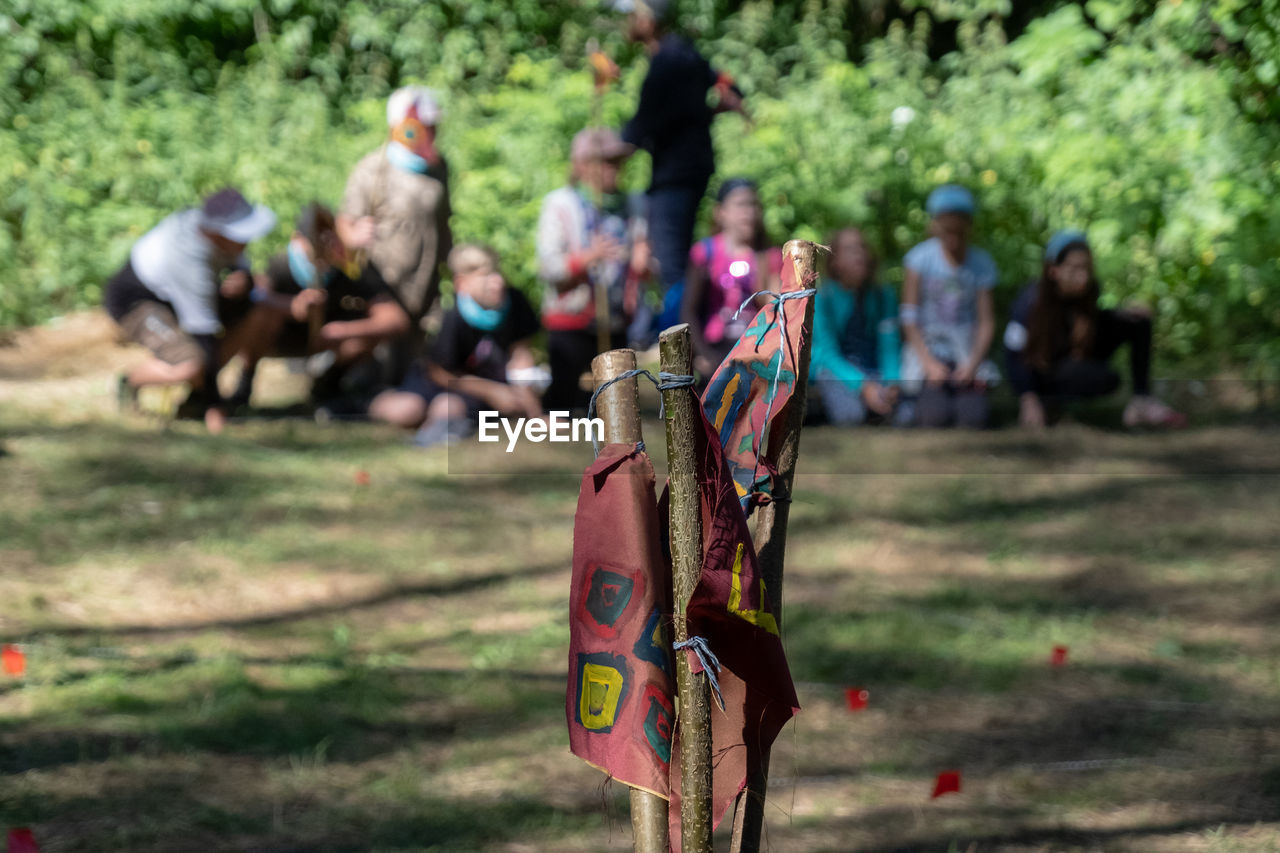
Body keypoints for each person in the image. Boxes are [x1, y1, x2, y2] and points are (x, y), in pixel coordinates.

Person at [614, 0, 747, 334]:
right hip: (693, 170)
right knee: (677, 259)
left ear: (646, 18)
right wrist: (703, 114)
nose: (625, 23)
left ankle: (684, 343)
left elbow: (643, 124)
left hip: (673, 176)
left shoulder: (665, 61)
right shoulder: (686, 53)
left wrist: (607, 152)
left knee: (672, 265)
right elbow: (731, 89)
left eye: (630, 15)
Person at [103, 188, 277, 433]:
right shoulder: (187, 256)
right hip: (138, 301)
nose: (246, 241)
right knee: (192, 363)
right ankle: (131, 382)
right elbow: (204, 334)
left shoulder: (222, 236)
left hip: (180, 299)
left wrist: (243, 282)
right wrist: (215, 408)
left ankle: (196, 401)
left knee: (257, 315)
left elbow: (242, 273)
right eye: (241, 235)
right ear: (217, 235)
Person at [228, 203, 411, 411]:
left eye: (328, 238)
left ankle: (327, 388)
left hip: (329, 342)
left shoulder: (349, 271)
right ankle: (244, 385)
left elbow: (396, 320)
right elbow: (258, 299)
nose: (323, 246)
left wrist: (341, 331)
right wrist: (293, 307)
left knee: (363, 336)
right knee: (260, 317)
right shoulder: (279, 266)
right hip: (283, 339)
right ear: (298, 240)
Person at [1005, 230, 1185, 429]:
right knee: (1101, 377)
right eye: (1074, 269)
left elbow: (1094, 320)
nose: (1082, 276)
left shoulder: (1089, 291)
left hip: (1076, 358)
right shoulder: (1030, 302)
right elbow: (1013, 353)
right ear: (1053, 270)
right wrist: (1028, 398)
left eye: (1086, 268)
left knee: (1137, 321)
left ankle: (1142, 400)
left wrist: (1125, 314)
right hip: (1045, 373)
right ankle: (1048, 404)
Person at [369, 244, 542, 446]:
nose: (497, 282)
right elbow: (439, 372)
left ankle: (432, 433)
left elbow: (520, 358)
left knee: (448, 407)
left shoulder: (515, 302)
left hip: (477, 392)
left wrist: (535, 414)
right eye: (485, 276)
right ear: (462, 283)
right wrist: (491, 391)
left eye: (497, 272)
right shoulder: (454, 315)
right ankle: (363, 401)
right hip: (442, 382)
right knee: (407, 411)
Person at [338, 86, 453, 381]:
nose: (431, 132)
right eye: (424, 126)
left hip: (425, 281)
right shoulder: (373, 169)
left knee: (416, 358)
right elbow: (344, 223)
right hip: (385, 280)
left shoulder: (438, 167)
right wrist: (353, 236)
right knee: (382, 356)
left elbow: (443, 221)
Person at [537, 127, 651, 413]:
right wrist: (588, 257)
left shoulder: (634, 204)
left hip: (615, 320)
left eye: (617, 163)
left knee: (617, 406)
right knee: (564, 403)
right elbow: (549, 267)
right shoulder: (561, 204)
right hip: (571, 319)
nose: (615, 170)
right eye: (606, 162)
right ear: (582, 165)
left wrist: (643, 262)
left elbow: (643, 259)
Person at [899, 184, 1000, 428]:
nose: (953, 238)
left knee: (974, 419)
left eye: (959, 230)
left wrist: (973, 364)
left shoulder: (982, 264)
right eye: (947, 230)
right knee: (933, 417)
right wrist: (929, 364)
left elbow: (986, 322)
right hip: (928, 352)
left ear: (969, 226)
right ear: (935, 225)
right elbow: (909, 316)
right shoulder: (918, 260)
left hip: (966, 353)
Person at [680, 178, 783, 378]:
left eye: (753, 204)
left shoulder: (769, 256)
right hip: (714, 348)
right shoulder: (704, 253)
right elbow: (688, 310)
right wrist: (703, 354)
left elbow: (775, 313)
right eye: (740, 204)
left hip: (755, 351)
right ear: (720, 212)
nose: (749, 212)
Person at [809, 228, 902, 426]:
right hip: (836, 369)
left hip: (873, 367)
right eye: (850, 249)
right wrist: (863, 387)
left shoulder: (883, 295)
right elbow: (827, 353)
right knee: (851, 415)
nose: (859, 254)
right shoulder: (822, 298)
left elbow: (889, 344)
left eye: (862, 248)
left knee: (905, 413)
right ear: (835, 262)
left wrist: (892, 381)